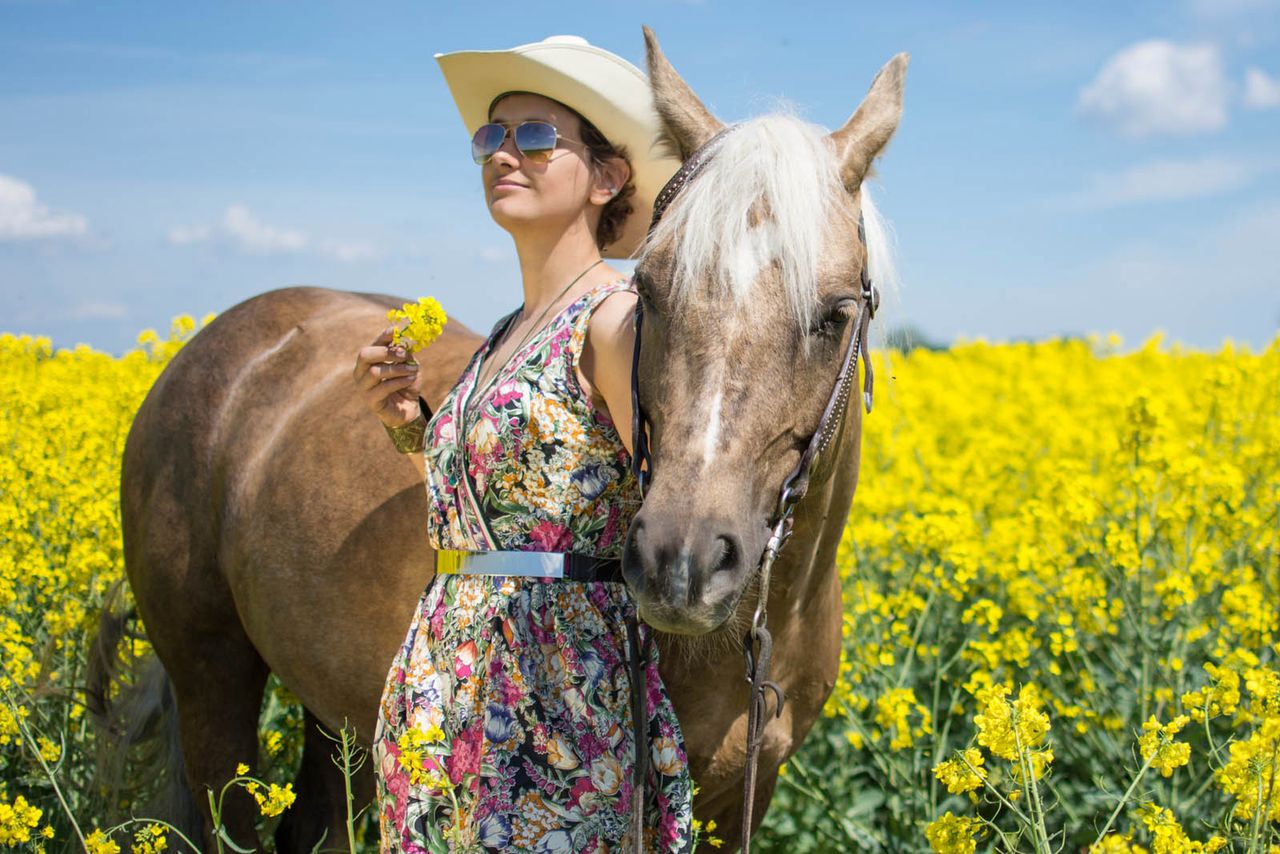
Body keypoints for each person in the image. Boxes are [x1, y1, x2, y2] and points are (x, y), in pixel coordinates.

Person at [351, 35, 693, 853]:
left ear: (607, 177)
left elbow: (665, 496)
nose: (504, 153)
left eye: (535, 136)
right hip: (447, 690)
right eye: (490, 138)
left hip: (551, 691)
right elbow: (509, 506)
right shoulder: (505, 331)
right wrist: (409, 420)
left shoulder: (617, 320)